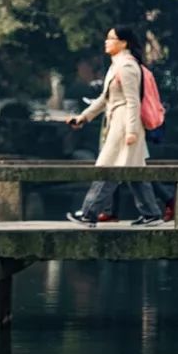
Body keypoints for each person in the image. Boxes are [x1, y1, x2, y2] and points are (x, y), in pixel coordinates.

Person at [65, 27, 163, 227]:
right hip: (119, 121)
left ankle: (88, 213)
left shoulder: (127, 67)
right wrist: (84, 117)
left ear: (124, 43)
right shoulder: (116, 66)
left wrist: (132, 131)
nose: (106, 42)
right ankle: (151, 213)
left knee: (107, 168)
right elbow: (105, 98)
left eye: (111, 39)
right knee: (135, 171)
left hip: (124, 124)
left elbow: (132, 101)